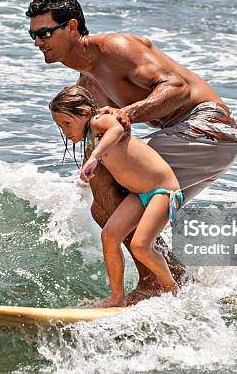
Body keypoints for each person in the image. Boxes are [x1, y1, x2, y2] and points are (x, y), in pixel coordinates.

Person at [26, 0, 237, 304]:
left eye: (44, 33)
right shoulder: (87, 83)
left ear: (72, 27)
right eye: (32, 35)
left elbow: (177, 89)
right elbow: (95, 133)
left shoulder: (115, 48)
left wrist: (128, 113)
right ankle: (174, 279)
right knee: (104, 206)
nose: (37, 42)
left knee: (109, 182)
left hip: (208, 128)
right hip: (189, 141)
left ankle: (155, 283)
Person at [50, 85, 183, 307]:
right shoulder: (92, 138)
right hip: (140, 194)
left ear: (84, 113)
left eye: (67, 123)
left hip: (163, 191)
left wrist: (94, 157)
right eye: (60, 127)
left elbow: (117, 129)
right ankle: (117, 297)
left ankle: (173, 290)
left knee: (140, 246)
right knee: (110, 236)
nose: (65, 131)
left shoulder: (98, 122)